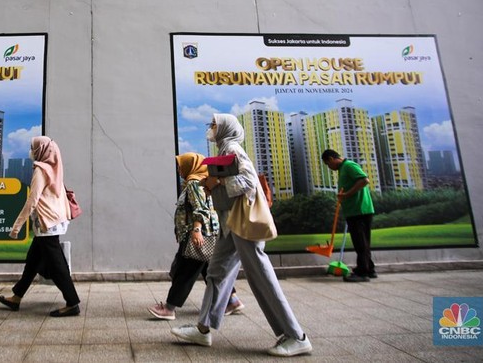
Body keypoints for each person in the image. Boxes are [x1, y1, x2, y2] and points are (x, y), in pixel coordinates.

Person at [171, 114, 312, 357]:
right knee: (216, 273)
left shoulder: (232, 147)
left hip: (243, 222)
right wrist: (216, 182)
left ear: (225, 128)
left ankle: (296, 336)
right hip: (231, 224)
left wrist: (216, 183)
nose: (211, 128)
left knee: (261, 276)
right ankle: (203, 330)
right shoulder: (226, 147)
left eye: (214, 125)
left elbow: (248, 181)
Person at [147, 152, 245, 321]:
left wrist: (197, 230)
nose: (178, 169)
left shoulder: (194, 183)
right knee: (208, 270)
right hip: (208, 233)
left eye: (180, 165)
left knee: (186, 271)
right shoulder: (203, 181)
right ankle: (232, 300)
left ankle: (169, 308)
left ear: (190, 165)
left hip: (198, 235)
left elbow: (201, 209)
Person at [0, 136, 81, 317]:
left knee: (57, 266)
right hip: (55, 222)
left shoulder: (41, 170)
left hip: (46, 225)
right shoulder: (54, 167)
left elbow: (32, 201)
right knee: (33, 260)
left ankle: (72, 302)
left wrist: (16, 226)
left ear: (41, 150)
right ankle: (16, 297)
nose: (31, 151)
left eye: (32, 147)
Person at [321, 149, 377, 282]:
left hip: (360, 211)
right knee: (363, 242)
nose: (329, 168)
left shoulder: (349, 166)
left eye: (328, 164)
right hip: (354, 211)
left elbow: (364, 180)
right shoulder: (343, 169)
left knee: (360, 243)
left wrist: (347, 195)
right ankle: (369, 269)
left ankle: (363, 273)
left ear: (331, 159)